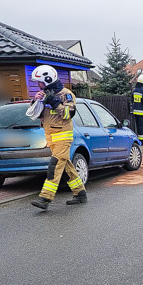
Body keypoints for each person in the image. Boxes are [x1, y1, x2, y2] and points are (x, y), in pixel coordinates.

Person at [28, 65, 87, 210]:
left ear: (48, 80)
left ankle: (45, 198)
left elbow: (68, 114)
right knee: (67, 166)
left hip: (63, 137)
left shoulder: (66, 94)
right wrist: (35, 101)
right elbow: (37, 115)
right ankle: (80, 193)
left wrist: (53, 101)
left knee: (54, 166)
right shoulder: (44, 94)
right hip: (51, 138)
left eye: (40, 82)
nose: (38, 85)